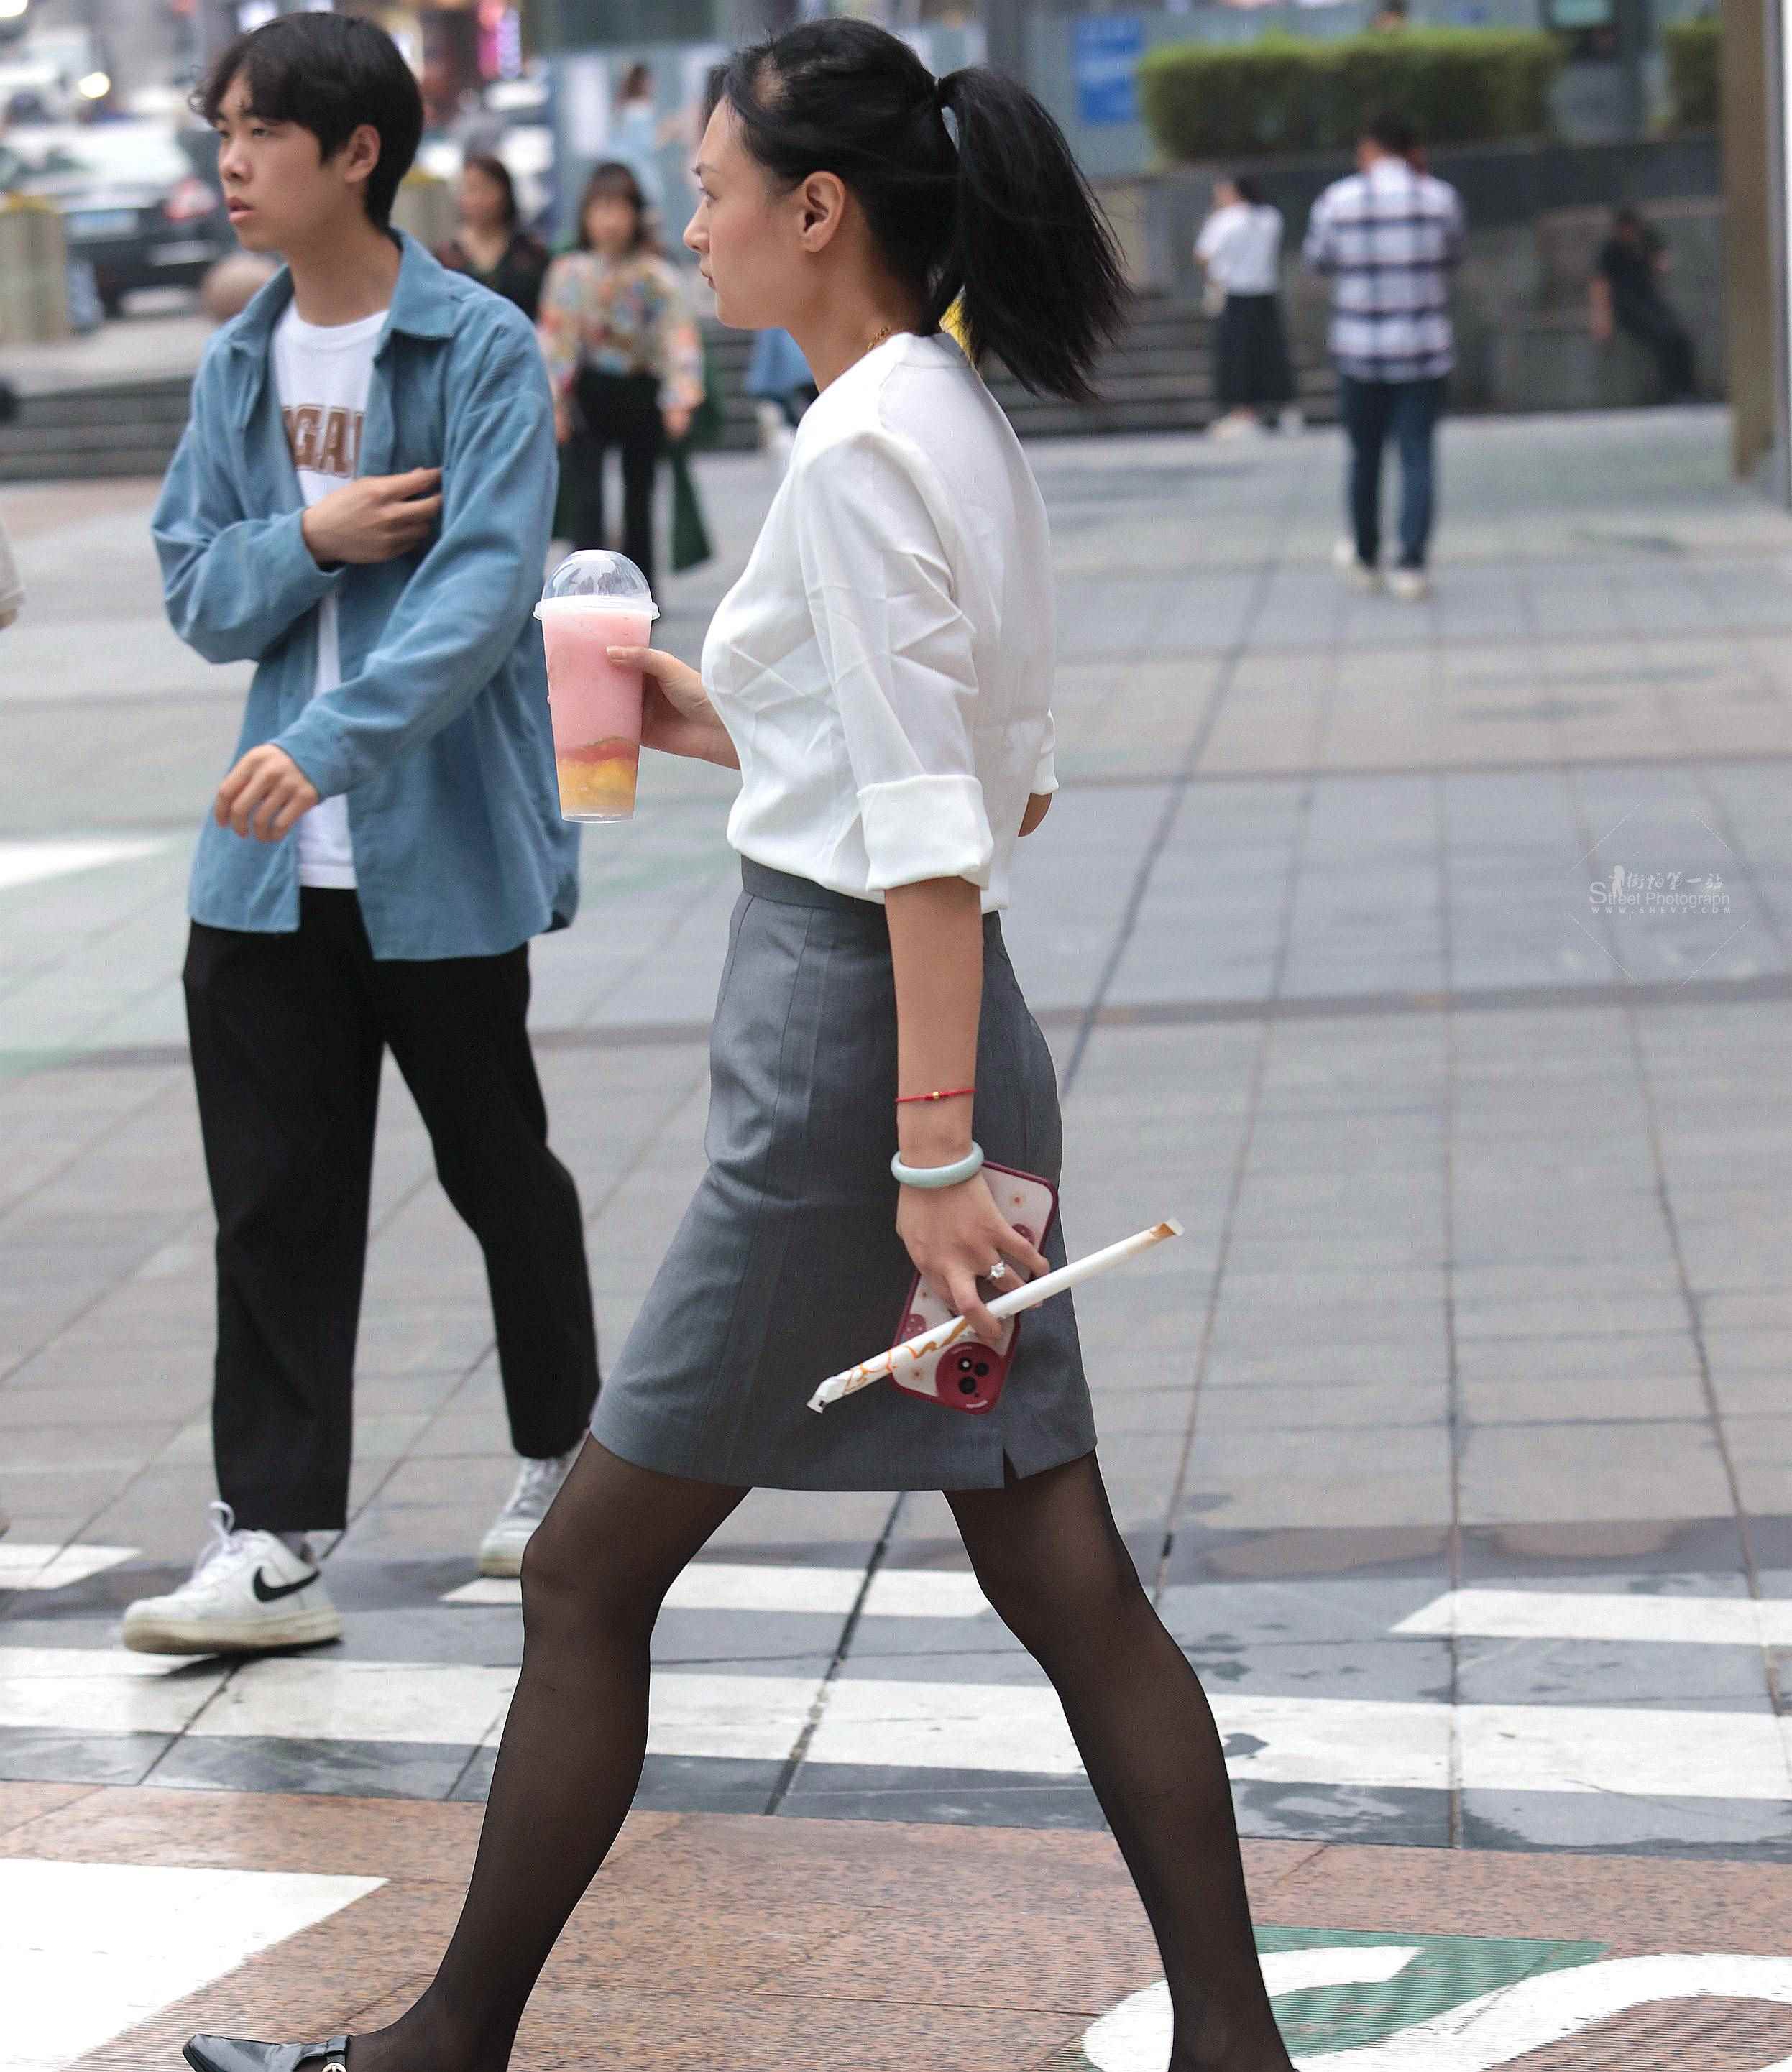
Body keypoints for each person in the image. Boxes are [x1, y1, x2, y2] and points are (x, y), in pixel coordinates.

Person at [182, 20, 1300, 2072]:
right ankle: (1234, 2045)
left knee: (587, 1569)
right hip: (929, 1044)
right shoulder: (941, 411)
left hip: (851, 1078)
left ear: (819, 208)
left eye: (710, 192)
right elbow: (963, 770)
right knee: (1062, 1571)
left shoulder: (862, 449)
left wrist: (927, 1157)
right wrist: (678, 703)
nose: (686, 225)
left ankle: (443, 2048)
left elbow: (933, 835)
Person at [128, 11, 599, 1657]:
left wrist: (326, 744)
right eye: (222, 132)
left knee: (497, 1167)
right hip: (265, 868)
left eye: (259, 133)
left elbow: (483, 593)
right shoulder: (240, 360)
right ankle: (271, 1538)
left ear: (357, 154)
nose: (230, 163)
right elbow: (197, 585)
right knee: (273, 1203)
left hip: (433, 851)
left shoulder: (476, 347)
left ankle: (566, 1455)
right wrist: (314, 536)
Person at [1304, 112, 1464, 603]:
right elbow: (1453, 256)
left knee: (1364, 457)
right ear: (1412, 150)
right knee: (1417, 455)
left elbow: (1317, 260)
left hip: (1360, 351)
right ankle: (1411, 565)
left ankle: (1367, 556)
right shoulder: (1439, 198)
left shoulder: (1337, 200)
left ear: (1369, 149)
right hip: (1423, 350)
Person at [538, 160, 703, 590]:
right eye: (601, 209)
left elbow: (677, 337)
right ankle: (584, 588)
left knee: (640, 496)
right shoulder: (569, 273)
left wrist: (679, 397)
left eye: (619, 209)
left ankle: (640, 590)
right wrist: (553, 401)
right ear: (586, 216)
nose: (610, 221)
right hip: (590, 392)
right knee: (587, 498)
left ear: (636, 215)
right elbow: (555, 341)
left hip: (640, 390)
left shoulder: (656, 275)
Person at [1195, 175, 1296, 437]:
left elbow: (1203, 255)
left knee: (1237, 356)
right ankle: (1284, 410)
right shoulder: (1271, 217)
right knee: (1271, 352)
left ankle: (1243, 413)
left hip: (1235, 294)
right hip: (1266, 291)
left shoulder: (1223, 220)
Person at [1591, 204, 1696, 403]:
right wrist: (1602, 319)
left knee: (1681, 337)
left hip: (1650, 300)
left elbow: (1662, 263)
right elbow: (1601, 285)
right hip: (1626, 306)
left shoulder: (1646, 241)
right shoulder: (1611, 250)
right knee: (1661, 338)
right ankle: (1669, 391)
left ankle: (1688, 388)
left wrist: (1655, 260)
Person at [437, 152, 550, 322]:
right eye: (470, 190)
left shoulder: (531, 253)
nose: (478, 200)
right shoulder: (445, 258)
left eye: (486, 189)